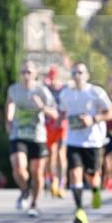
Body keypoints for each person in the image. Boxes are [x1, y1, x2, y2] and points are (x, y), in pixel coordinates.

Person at [58, 62, 112, 223]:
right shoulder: (66, 94)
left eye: (80, 72)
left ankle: (96, 190)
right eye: (74, 73)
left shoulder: (95, 92)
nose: (77, 76)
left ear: (87, 75)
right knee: (75, 173)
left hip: (93, 141)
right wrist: (60, 120)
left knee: (92, 177)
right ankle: (79, 210)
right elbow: (62, 112)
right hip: (73, 141)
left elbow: (111, 113)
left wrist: (93, 119)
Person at [5, 61, 58, 218]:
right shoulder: (14, 89)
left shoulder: (42, 90)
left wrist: (41, 107)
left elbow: (55, 114)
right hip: (18, 134)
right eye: (23, 72)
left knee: (37, 172)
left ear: (35, 74)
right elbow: (9, 104)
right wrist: (7, 121)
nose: (26, 75)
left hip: (37, 136)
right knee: (18, 167)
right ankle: (25, 189)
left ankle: (34, 203)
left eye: (29, 72)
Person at [44, 66, 67, 198]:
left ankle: (62, 183)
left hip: (62, 125)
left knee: (61, 154)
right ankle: (52, 179)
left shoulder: (64, 90)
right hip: (49, 125)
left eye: (54, 79)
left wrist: (62, 118)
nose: (52, 82)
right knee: (51, 153)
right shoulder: (45, 89)